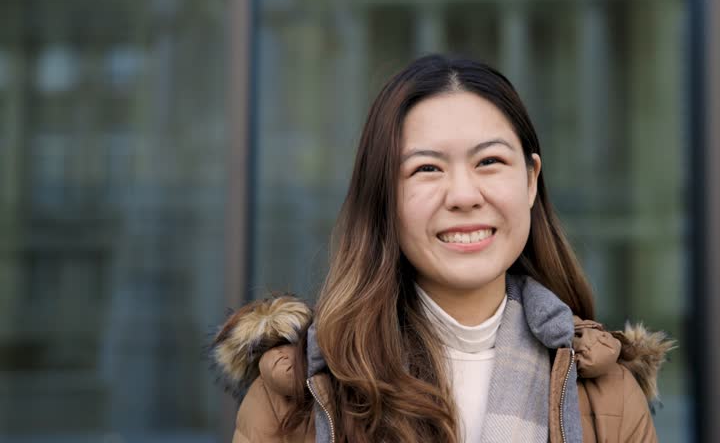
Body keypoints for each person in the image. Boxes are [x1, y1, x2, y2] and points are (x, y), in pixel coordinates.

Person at [211, 55, 675, 443]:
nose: (464, 195)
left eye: (489, 161)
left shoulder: (606, 392)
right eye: (427, 169)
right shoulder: (297, 389)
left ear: (531, 180)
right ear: (383, 196)